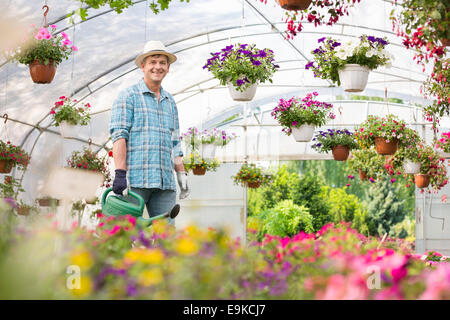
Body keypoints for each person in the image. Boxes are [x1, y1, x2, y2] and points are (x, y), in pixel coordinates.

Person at [109, 40, 189, 225]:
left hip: (164, 184)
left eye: (162, 63)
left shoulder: (170, 101)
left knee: (166, 239)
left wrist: (181, 174)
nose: (157, 67)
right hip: (135, 181)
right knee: (124, 235)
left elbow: (175, 142)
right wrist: (120, 173)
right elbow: (119, 136)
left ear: (168, 68)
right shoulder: (128, 96)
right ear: (143, 66)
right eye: (153, 62)